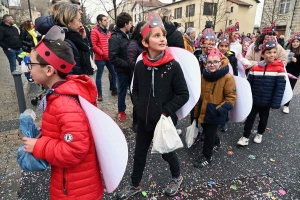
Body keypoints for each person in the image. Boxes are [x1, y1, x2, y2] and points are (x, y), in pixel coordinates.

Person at [117, 12, 189, 199]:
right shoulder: (141, 66)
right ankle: (134, 184)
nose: (163, 38)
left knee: (167, 152)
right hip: (144, 119)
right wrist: (139, 106)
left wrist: (166, 111)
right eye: (157, 35)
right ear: (146, 43)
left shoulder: (173, 66)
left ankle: (177, 176)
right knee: (139, 154)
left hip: (164, 120)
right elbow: (136, 90)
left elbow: (183, 94)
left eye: (163, 35)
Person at [22, 38, 103, 199]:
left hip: (75, 191)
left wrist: (39, 146)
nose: (28, 69)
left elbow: (74, 150)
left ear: (49, 70)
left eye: (31, 64)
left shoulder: (64, 104)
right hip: (73, 185)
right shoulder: (58, 95)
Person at [237, 38, 286, 146]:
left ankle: (260, 133)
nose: (272, 55)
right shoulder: (255, 68)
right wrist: (246, 98)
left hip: (267, 101)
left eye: (274, 52)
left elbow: (280, 88)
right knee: (250, 118)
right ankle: (245, 136)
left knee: (263, 119)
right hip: (254, 100)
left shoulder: (279, 69)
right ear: (263, 54)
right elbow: (249, 84)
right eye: (269, 52)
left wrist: (275, 103)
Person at [193, 48, 236, 168]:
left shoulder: (227, 77)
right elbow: (200, 93)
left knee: (209, 134)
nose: (212, 65)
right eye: (209, 62)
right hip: (204, 109)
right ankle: (216, 142)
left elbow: (231, 97)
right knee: (206, 129)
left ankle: (207, 156)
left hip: (215, 111)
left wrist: (219, 109)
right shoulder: (204, 75)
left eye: (215, 62)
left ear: (221, 62)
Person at [54, 2, 93, 75]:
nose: (80, 24)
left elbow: (86, 51)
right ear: (68, 21)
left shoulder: (74, 37)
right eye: (79, 20)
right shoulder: (65, 43)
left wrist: (84, 38)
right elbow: (68, 75)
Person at [109, 12, 132, 121]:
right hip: (122, 71)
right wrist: (127, 65)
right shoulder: (115, 38)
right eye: (130, 23)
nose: (131, 25)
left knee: (132, 90)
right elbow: (113, 57)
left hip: (130, 69)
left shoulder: (127, 35)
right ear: (125, 24)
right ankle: (121, 111)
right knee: (122, 91)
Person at [91, 14, 118, 101]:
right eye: (105, 20)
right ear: (100, 21)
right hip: (100, 58)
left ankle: (114, 89)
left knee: (114, 73)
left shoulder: (108, 32)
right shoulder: (94, 32)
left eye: (107, 20)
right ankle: (100, 94)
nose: (107, 22)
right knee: (99, 76)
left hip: (109, 58)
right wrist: (102, 53)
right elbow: (94, 45)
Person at [127, 21, 146, 132]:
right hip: (136, 77)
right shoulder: (133, 44)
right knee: (137, 101)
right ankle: (136, 123)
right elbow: (131, 62)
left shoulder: (144, 43)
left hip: (144, 76)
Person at [282, 32, 300, 114]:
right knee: (281, 87)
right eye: (294, 41)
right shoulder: (287, 51)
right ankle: (279, 101)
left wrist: (297, 61)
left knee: (290, 88)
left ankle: (286, 105)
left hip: (294, 74)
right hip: (285, 72)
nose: (295, 43)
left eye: (297, 41)